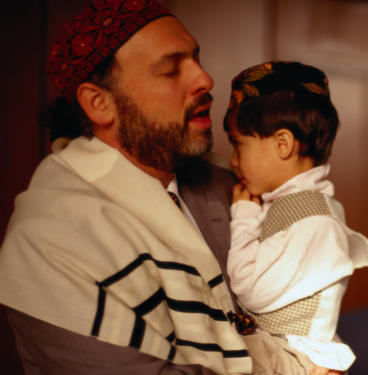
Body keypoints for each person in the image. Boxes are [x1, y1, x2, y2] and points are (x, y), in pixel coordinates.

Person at [0, 1, 252, 373]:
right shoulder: (46, 242)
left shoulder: (224, 179)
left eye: (197, 59)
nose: (205, 79)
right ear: (100, 104)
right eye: (170, 70)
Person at [222, 61, 368, 374]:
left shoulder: (313, 222)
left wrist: (245, 218)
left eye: (238, 145)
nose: (233, 161)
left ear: (282, 144)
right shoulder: (293, 206)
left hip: (295, 361)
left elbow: (249, 289)